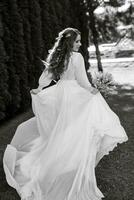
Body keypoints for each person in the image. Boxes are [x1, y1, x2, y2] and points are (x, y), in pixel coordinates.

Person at [3, 27, 128, 200]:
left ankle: (59, 169)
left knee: (61, 132)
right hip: (74, 94)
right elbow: (83, 81)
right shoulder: (77, 57)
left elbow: (46, 76)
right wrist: (93, 91)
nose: (80, 44)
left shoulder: (57, 57)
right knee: (75, 132)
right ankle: (70, 170)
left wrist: (39, 88)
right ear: (70, 42)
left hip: (59, 94)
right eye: (77, 41)